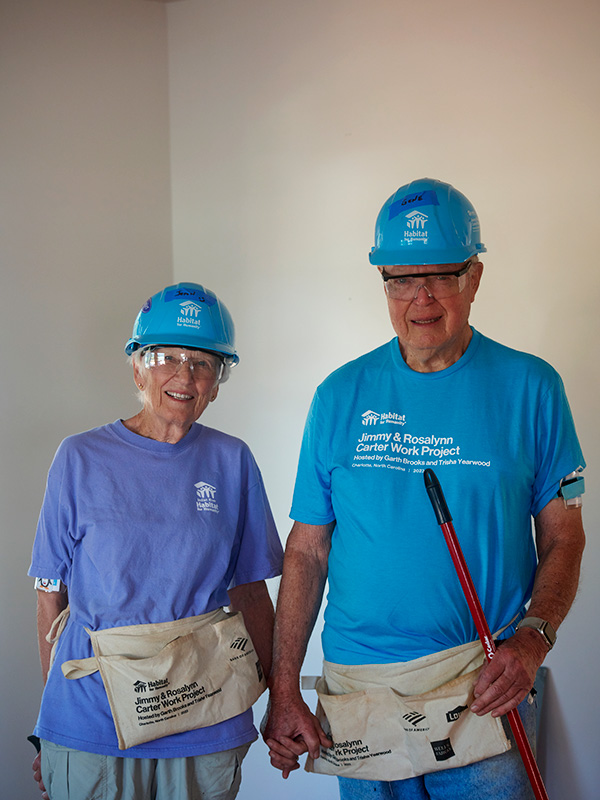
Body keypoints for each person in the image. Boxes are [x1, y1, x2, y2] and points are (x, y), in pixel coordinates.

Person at [263, 179, 586, 799]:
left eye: (441, 275)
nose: (422, 298)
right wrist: (284, 691)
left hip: (482, 685)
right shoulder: (338, 396)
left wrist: (533, 640)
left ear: (475, 276)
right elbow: (305, 552)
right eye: (401, 279)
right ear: (383, 282)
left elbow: (564, 536)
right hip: (358, 692)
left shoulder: (532, 389)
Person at [29, 282, 283, 800]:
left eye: (204, 363)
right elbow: (50, 593)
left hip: (204, 711)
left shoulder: (232, 461)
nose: (185, 376)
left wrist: (278, 700)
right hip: (93, 717)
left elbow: (251, 594)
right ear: (138, 365)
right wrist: (55, 728)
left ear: (218, 381)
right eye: (167, 357)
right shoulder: (78, 458)